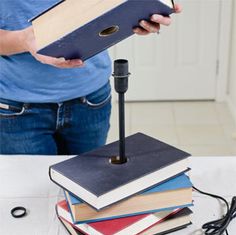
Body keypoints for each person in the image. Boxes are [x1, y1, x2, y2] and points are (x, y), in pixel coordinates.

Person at [0, 1, 181, 155]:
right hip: (16, 107)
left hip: (91, 98)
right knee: (34, 192)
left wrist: (139, 11)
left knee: (87, 187)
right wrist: (24, 40)